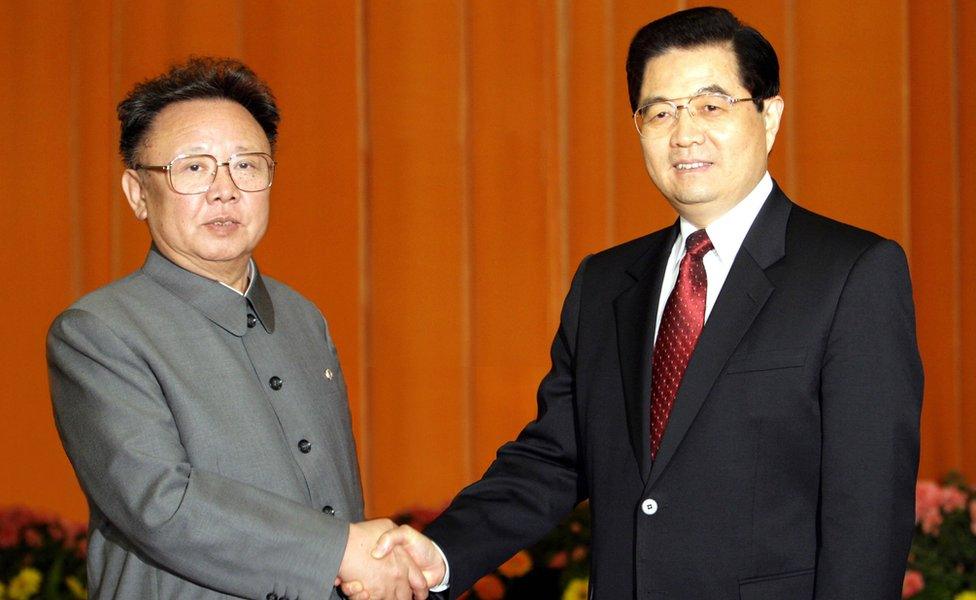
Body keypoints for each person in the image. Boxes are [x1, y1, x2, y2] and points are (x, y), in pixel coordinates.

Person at [364, 7, 923, 600]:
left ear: (771, 115)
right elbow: (554, 459)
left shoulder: (852, 273)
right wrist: (441, 552)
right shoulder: (605, 283)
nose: (684, 133)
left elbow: (869, 510)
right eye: (660, 112)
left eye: (711, 106)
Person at [47, 58, 428, 600]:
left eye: (247, 166)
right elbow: (160, 504)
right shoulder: (97, 332)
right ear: (136, 193)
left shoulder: (303, 318)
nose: (225, 190)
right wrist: (338, 551)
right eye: (194, 167)